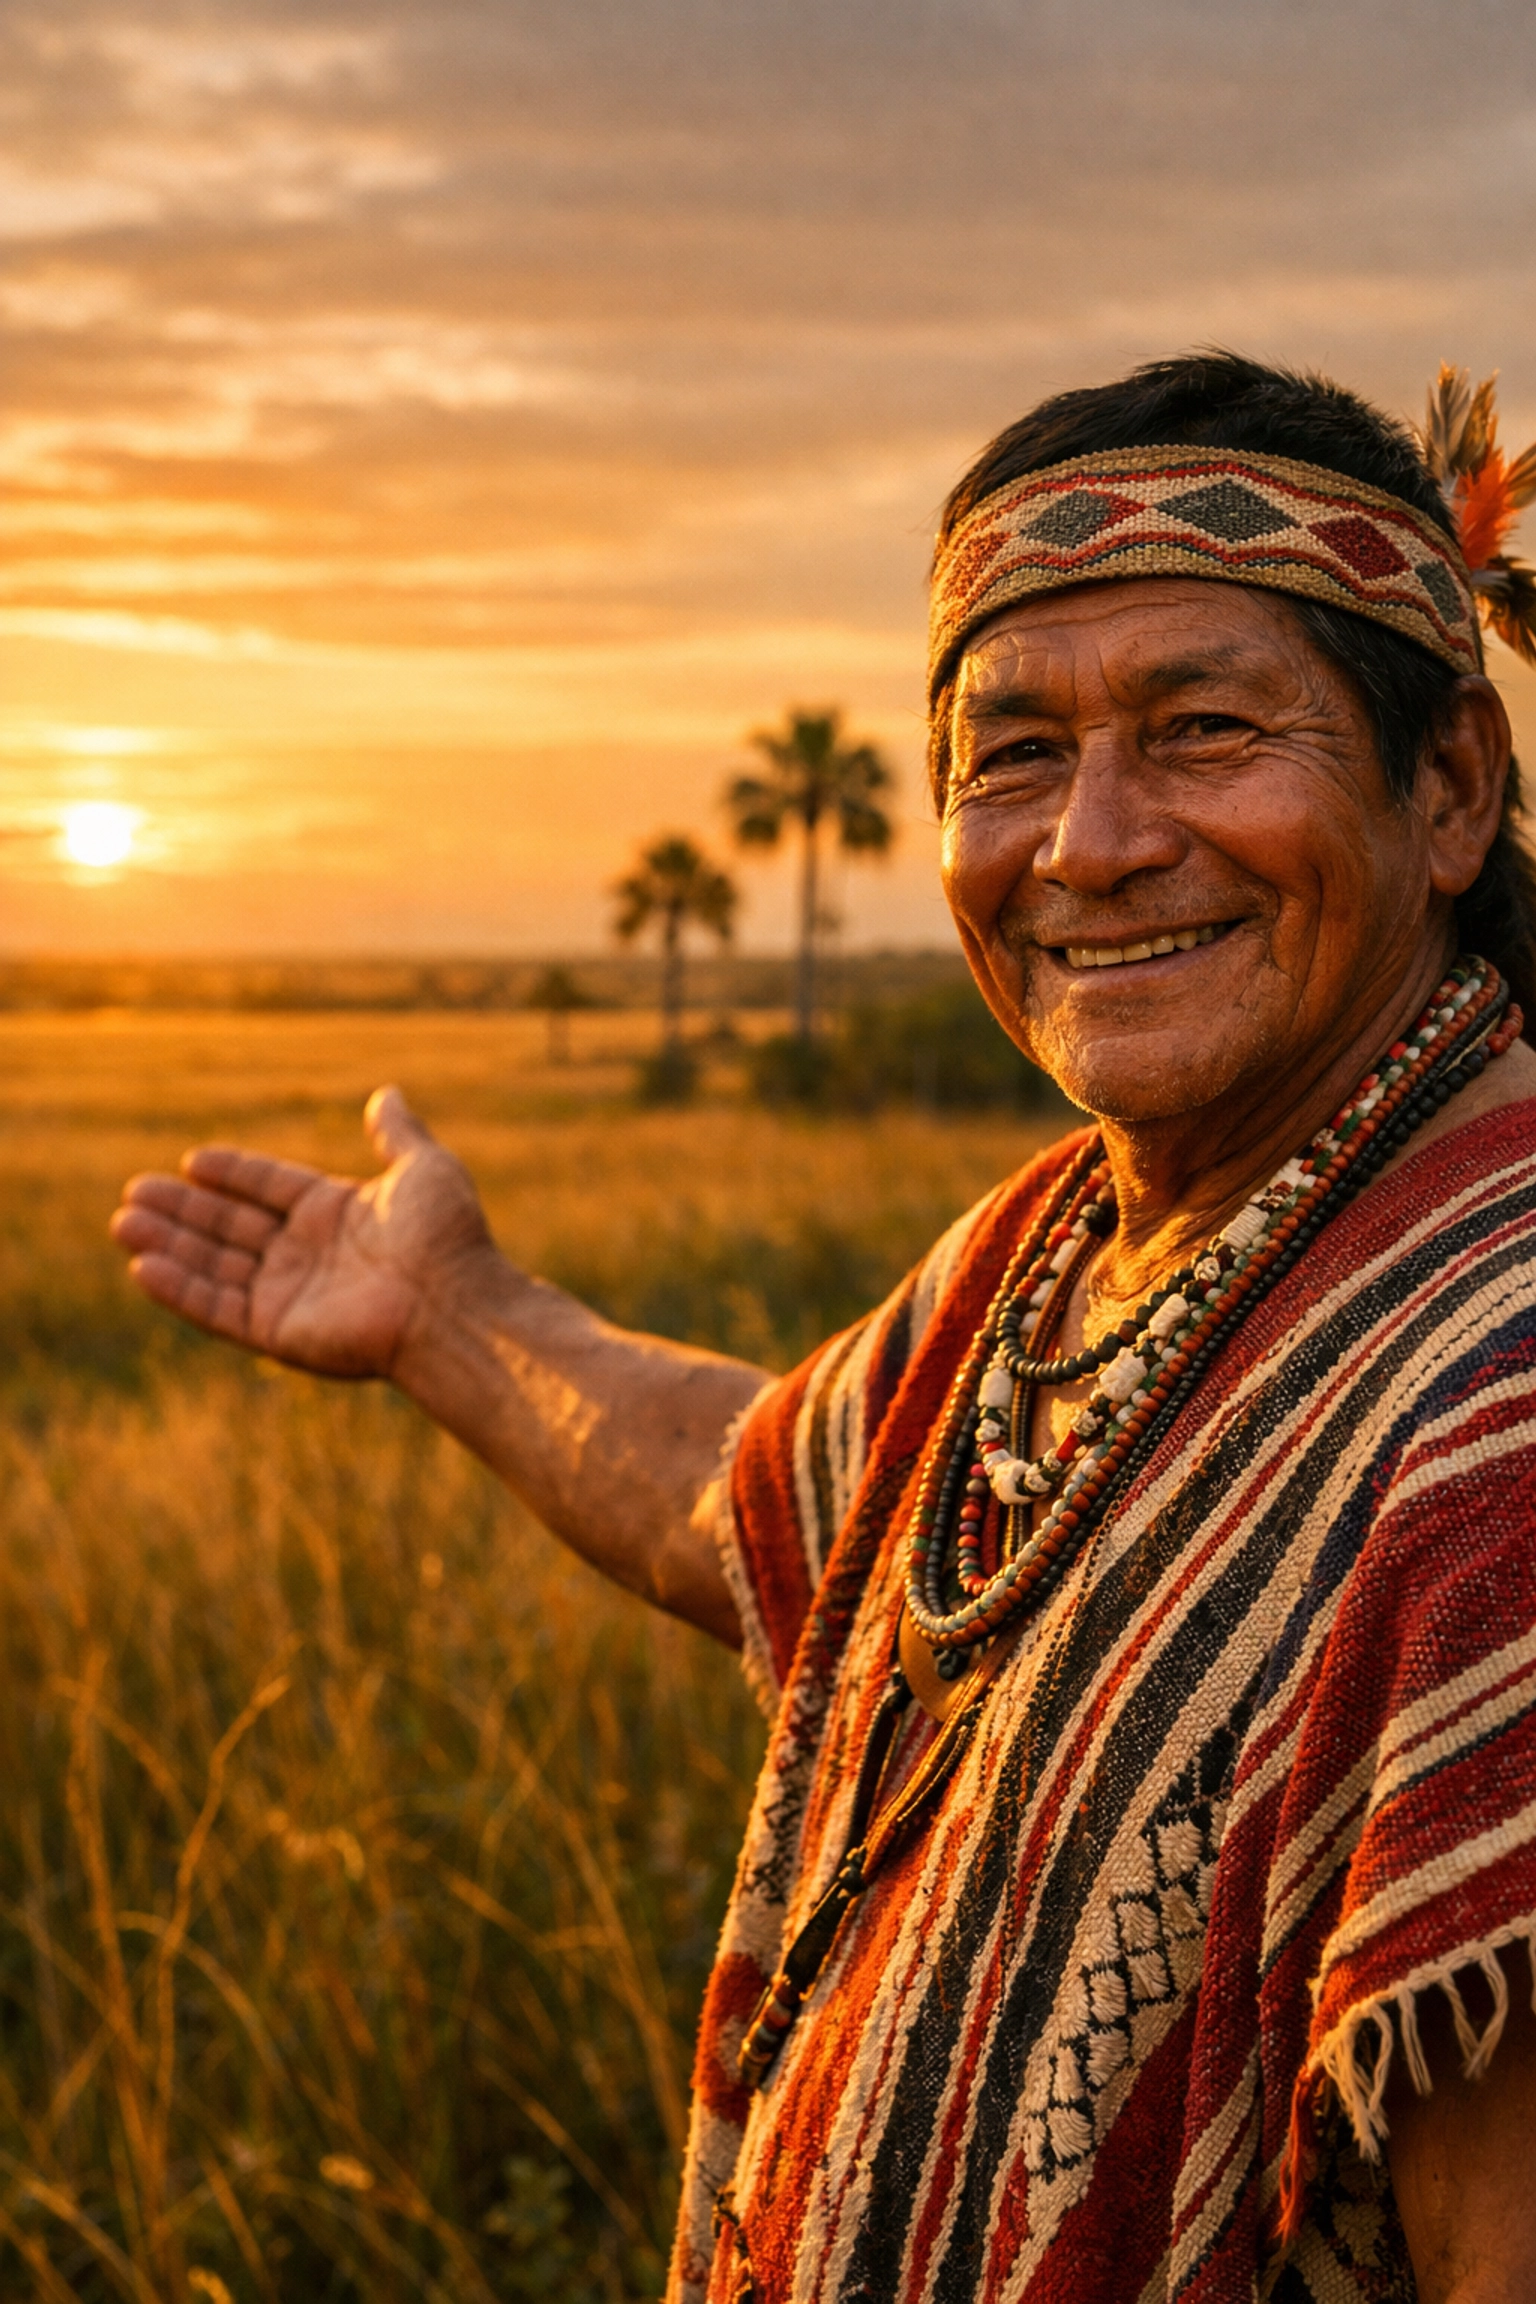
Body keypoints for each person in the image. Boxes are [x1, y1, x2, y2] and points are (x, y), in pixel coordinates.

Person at [111, 353, 1536, 2304]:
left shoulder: (1499, 1424)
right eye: (1010, 756)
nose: (1089, 840)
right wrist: (454, 1317)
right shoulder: (1057, 1246)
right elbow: (779, 1510)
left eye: (1202, 730)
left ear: (1448, 787)